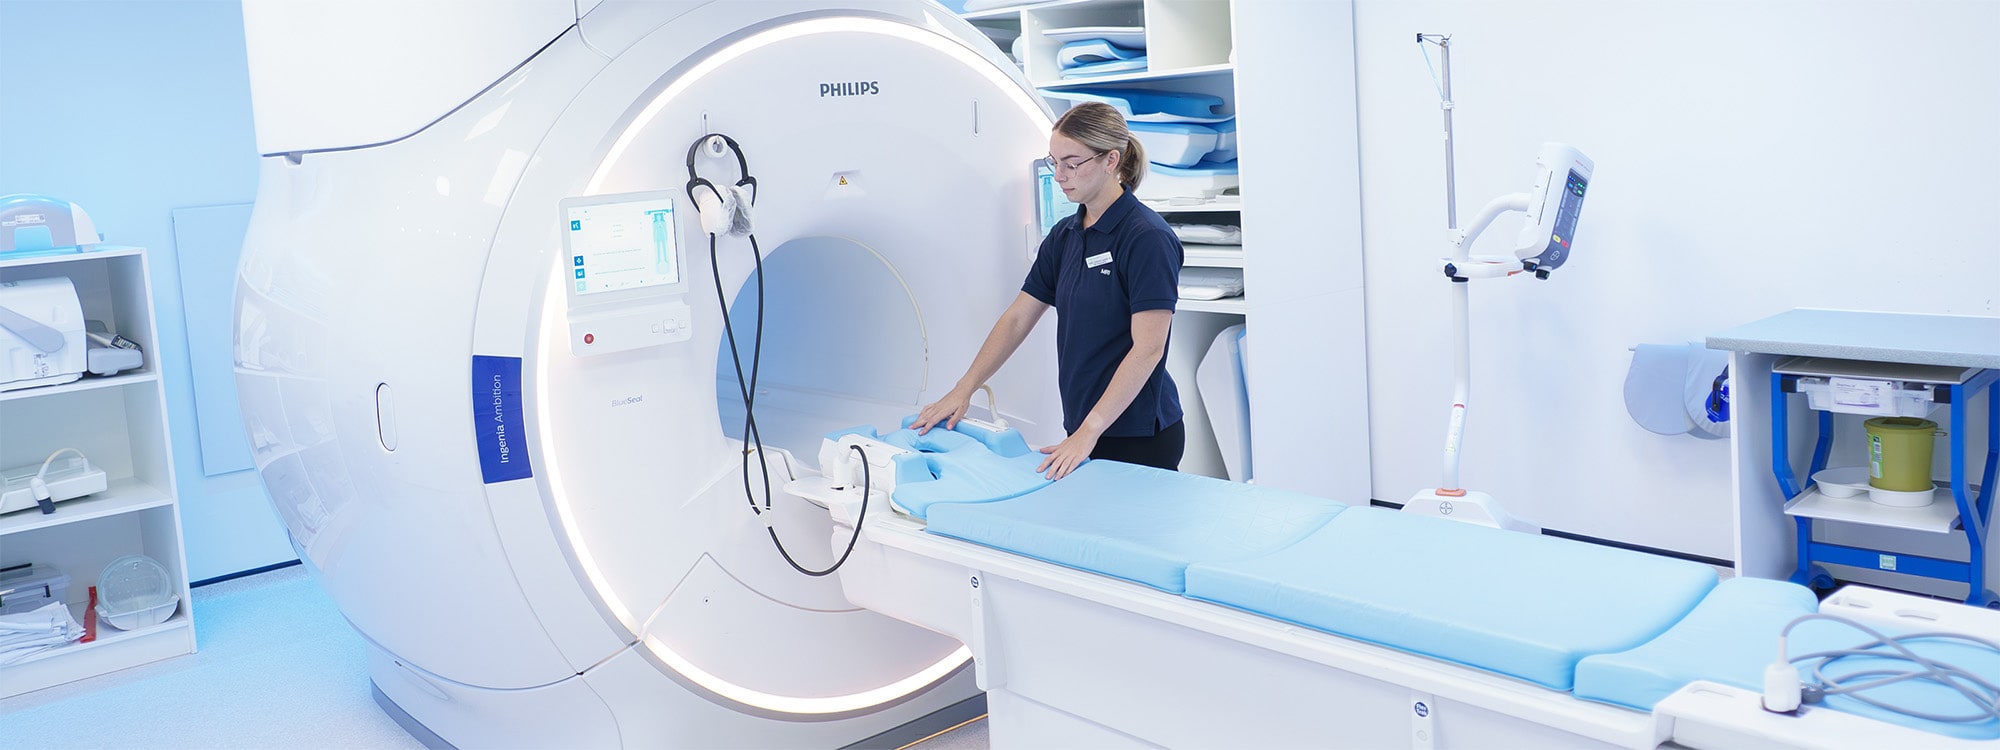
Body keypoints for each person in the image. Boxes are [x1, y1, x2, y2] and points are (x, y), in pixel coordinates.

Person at [912, 101, 1184, 480]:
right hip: (1084, 424)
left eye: (1072, 163)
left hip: (1135, 434)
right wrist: (964, 389)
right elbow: (1019, 317)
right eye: (1054, 162)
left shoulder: (1146, 238)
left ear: (1111, 160)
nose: (1060, 175)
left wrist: (1089, 432)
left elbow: (1149, 348)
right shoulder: (1066, 235)